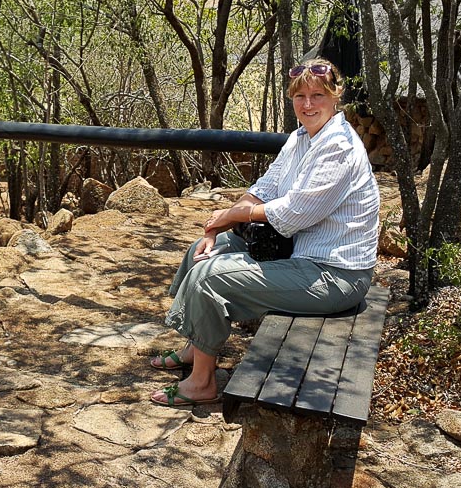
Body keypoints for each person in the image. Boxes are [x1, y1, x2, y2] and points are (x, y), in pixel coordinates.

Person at [149, 58, 381, 407]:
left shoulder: (339, 147)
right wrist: (221, 224)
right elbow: (263, 188)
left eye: (317, 95)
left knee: (210, 277)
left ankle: (202, 383)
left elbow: (293, 214)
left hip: (334, 275)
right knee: (204, 249)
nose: (307, 104)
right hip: (300, 255)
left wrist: (231, 214)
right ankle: (195, 346)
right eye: (299, 96)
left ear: (336, 96)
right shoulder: (301, 137)